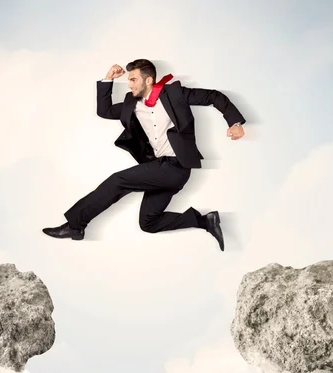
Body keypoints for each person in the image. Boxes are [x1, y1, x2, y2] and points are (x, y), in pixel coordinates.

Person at [42, 59, 246, 251]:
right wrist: (108, 79)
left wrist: (234, 123)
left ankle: (75, 225)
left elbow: (213, 96)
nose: (129, 84)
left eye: (133, 79)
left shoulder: (174, 94)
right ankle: (204, 221)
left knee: (117, 181)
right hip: (159, 168)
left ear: (148, 80)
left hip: (177, 167)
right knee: (148, 223)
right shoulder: (132, 104)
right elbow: (104, 111)